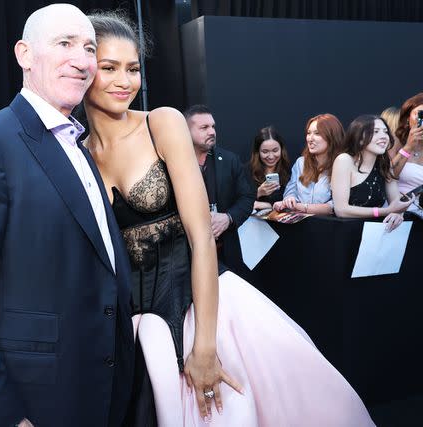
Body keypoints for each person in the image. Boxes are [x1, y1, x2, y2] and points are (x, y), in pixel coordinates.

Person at [83, 11, 375, 426]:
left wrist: (204, 346)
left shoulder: (160, 123)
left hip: (202, 308)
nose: (123, 80)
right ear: (85, 68)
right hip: (131, 327)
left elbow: (202, 238)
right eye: (109, 68)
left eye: (132, 68)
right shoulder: (74, 149)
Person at [0, 4, 134, 427]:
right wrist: (2, 415)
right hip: (33, 401)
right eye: (65, 44)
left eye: (90, 48)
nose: (82, 60)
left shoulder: (79, 145)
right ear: (24, 54)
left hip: (99, 388)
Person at [183, 104, 254, 270]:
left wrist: (228, 218)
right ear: (185, 131)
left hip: (225, 252)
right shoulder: (174, 164)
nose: (212, 132)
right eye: (204, 127)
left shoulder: (230, 160)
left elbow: (247, 197)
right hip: (186, 256)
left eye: (213, 126)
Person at [331, 115, 412, 230]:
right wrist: (385, 211)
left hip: (374, 234)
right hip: (346, 233)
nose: (383, 136)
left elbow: (395, 202)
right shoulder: (344, 160)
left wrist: (398, 214)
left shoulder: (385, 163)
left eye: (385, 132)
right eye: (376, 132)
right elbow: (341, 210)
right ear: (359, 138)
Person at [273, 113, 345, 214]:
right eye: (308, 133)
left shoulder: (342, 165)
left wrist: (302, 207)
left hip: (328, 225)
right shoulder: (300, 162)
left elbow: (335, 206)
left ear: (332, 136)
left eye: (317, 133)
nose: (310, 139)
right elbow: (291, 189)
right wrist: (289, 199)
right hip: (299, 224)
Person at [389, 93, 423, 219]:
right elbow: (388, 175)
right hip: (398, 214)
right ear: (408, 118)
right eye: (420, 114)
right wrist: (408, 147)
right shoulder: (395, 141)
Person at [247, 126, 291, 211]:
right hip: (253, 222)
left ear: (281, 149)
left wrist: (268, 205)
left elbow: (291, 202)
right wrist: (258, 192)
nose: (271, 156)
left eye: (275, 150)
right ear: (258, 152)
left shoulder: (288, 171)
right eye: (265, 152)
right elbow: (236, 201)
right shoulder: (247, 171)